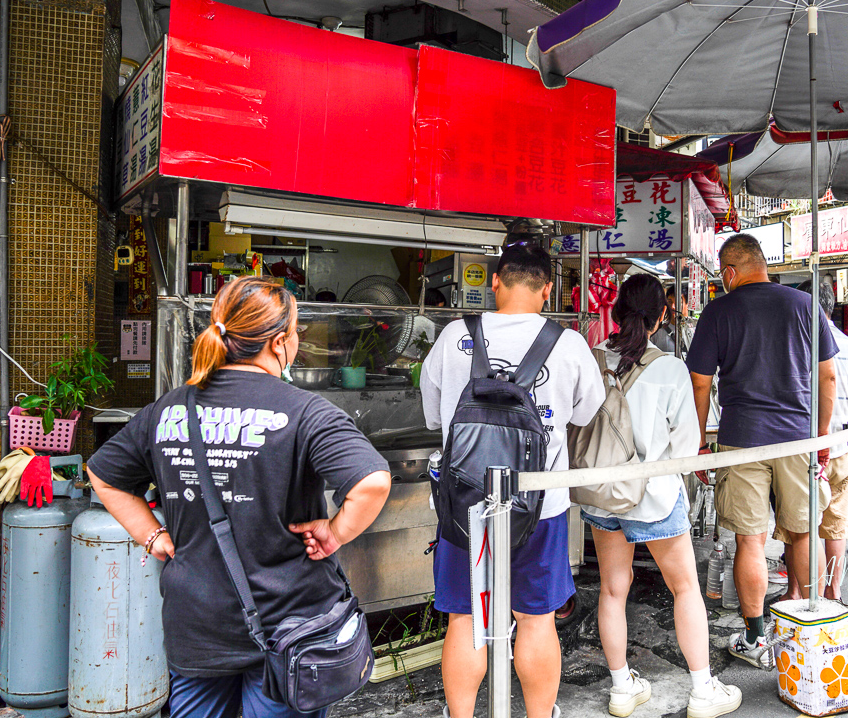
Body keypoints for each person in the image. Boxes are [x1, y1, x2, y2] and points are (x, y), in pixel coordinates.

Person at [87, 278, 392, 718]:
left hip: (197, 622)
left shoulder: (170, 409)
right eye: (296, 332)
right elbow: (372, 482)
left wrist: (152, 536)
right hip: (287, 629)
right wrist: (334, 532)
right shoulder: (305, 411)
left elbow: (103, 473)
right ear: (278, 342)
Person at [421, 243, 605, 718]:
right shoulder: (568, 344)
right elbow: (585, 412)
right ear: (547, 290)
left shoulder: (453, 337)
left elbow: (431, 416)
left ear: (496, 282)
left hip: (464, 504)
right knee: (536, 619)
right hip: (540, 505)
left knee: (464, 617)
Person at [582, 274, 741, 718]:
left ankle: (621, 688)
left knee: (613, 590)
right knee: (685, 586)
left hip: (602, 494)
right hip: (654, 495)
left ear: (616, 313)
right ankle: (703, 690)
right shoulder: (670, 368)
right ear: (661, 317)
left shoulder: (595, 359)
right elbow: (687, 449)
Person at [686, 234, 835, 668]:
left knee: (750, 541)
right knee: (804, 531)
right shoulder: (804, 305)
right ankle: (809, 626)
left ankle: (755, 640)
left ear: (730, 272)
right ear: (763, 264)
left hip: (741, 439)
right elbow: (828, 378)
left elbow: (700, 382)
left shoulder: (719, 311)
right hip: (798, 437)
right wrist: (821, 436)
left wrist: (698, 443)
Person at [775, 280, 848, 602]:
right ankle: (833, 590)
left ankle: (796, 592)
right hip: (841, 449)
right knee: (835, 523)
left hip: (807, 449)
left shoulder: (799, 344)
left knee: (800, 523)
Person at [651, 284, 691, 355]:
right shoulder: (657, 331)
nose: (673, 307)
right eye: (669, 302)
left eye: (678, 302)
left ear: (688, 304)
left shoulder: (695, 330)